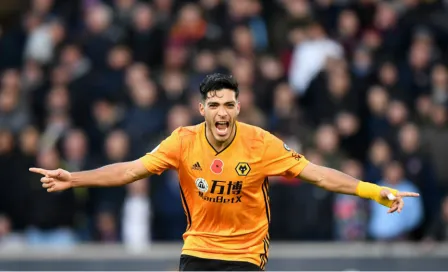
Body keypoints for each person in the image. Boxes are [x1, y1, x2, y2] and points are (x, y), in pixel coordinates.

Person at [30, 73, 419, 271]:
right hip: (198, 246)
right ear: (202, 109)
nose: (221, 112)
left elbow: (317, 174)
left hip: (246, 252)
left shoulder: (261, 143)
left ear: (237, 108)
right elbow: (131, 170)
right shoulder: (182, 141)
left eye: (229, 104)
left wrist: (373, 190)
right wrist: (74, 177)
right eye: (214, 104)